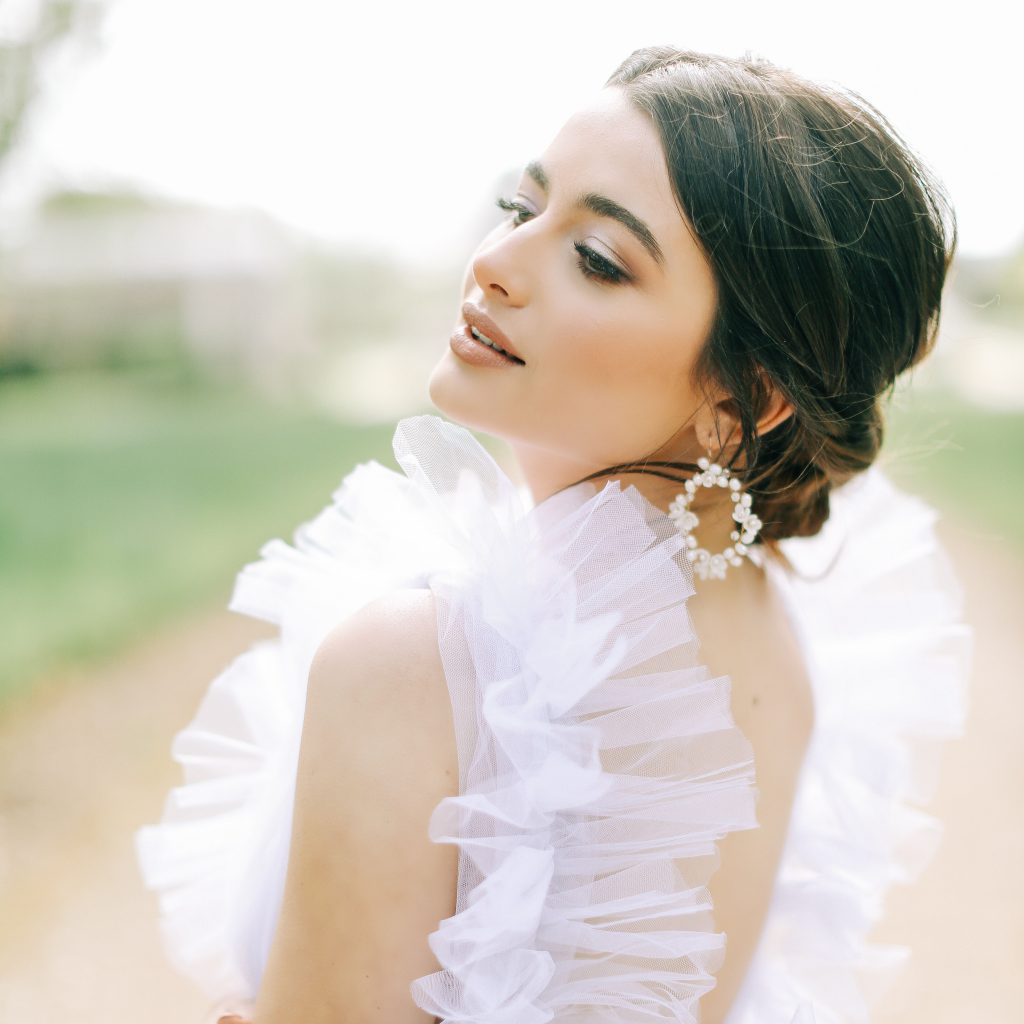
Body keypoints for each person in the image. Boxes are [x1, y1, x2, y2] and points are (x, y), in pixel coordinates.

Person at [135, 46, 972, 1023]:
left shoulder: (425, 664)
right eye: (520, 209)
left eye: (597, 259)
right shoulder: (771, 634)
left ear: (747, 396)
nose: (494, 264)